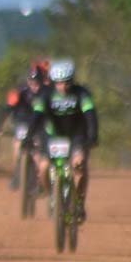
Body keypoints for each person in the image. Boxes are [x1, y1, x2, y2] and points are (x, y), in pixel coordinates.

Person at [29, 58, 98, 221]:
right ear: (53, 82)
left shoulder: (82, 93)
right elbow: (37, 116)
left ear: (72, 81)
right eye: (58, 83)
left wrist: (93, 136)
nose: (63, 87)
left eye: (66, 82)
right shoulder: (46, 94)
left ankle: (79, 202)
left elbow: (91, 116)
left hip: (76, 134)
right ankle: (52, 196)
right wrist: (29, 136)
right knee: (44, 168)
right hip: (53, 134)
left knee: (79, 168)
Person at [2, 62, 48, 190]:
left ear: (42, 81)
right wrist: (0, 125)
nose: (35, 86)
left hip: (39, 124)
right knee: (18, 145)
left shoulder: (47, 92)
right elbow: (7, 108)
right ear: (28, 81)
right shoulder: (19, 91)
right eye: (32, 83)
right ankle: (17, 173)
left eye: (37, 83)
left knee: (38, 149)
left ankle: (40, 179)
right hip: (23, 122)